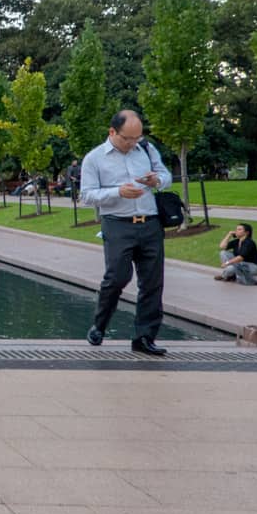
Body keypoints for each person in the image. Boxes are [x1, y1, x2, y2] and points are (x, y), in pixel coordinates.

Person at [79, 110, 171, 356]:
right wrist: (117, 192)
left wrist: (157, 181)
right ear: (112, 132)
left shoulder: (147, 150)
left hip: (150, 222)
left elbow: (166, 176)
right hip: (118, 223)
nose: (132, 144)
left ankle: (144, 337)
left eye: (137, 138)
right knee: (117, 277)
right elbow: (86, 195)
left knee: (152, 282)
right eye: (127, 139)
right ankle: (100, 325)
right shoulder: (94, 159)